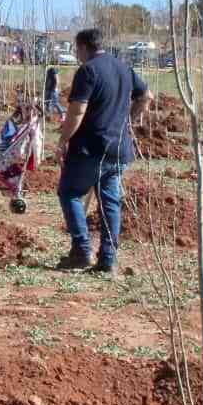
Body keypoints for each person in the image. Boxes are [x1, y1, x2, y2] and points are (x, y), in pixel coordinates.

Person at [56, 27, 150, 273]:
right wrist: (128, 119)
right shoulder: (123, 68)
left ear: (85, 47)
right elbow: (145, 95)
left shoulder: (88, 71)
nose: (77, 54)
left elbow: (77, 111)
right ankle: (108, 259)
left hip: (91, 148)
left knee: (70, 192)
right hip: (118, 148)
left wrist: (63, 139)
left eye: (77, 49)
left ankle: (81, 251)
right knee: (109, 201)